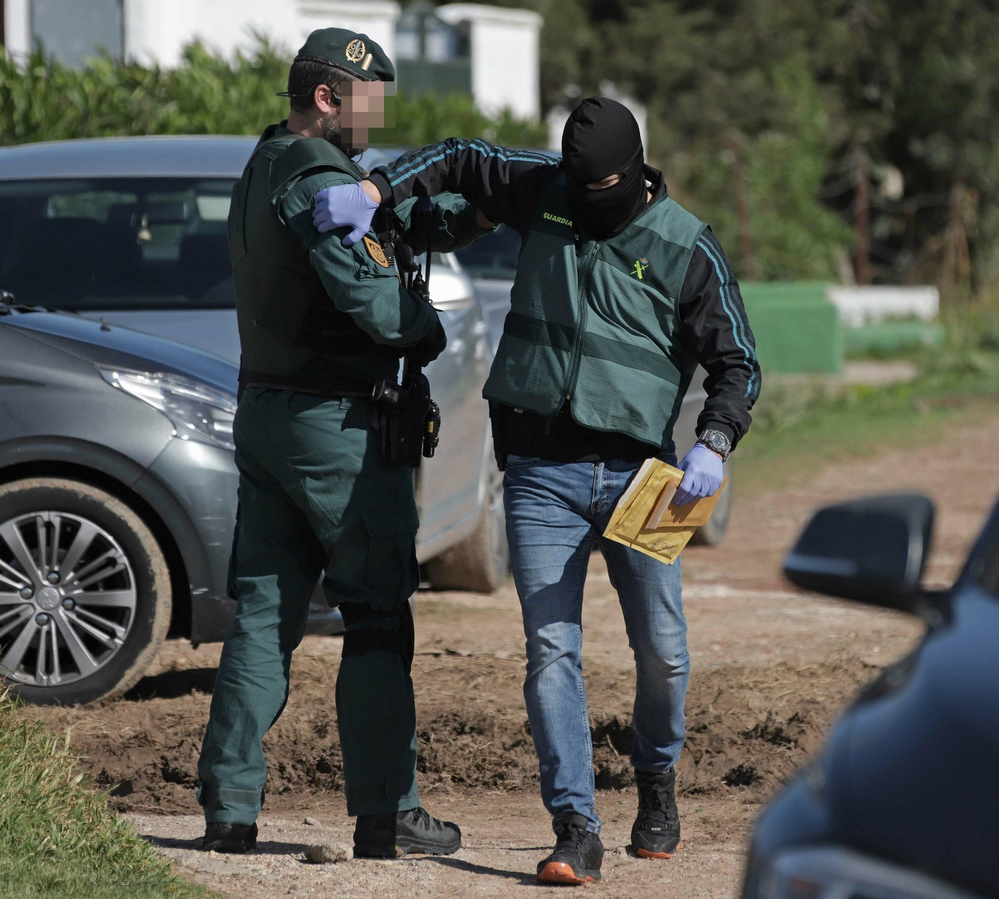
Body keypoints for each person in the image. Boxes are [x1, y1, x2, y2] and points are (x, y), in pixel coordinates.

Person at [313, 97, 760, 885]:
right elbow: (457, 155)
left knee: (664, 652)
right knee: (551, 648)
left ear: (633, 174)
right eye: (578, 189)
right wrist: (379, 190)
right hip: (540, 472)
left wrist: (715, 442)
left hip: (643, 476)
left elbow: (739, 363)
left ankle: (656, 781)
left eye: (603, 191)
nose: (587, 203)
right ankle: (575, 825)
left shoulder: (688, 246)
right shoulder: (543, 187)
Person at [195, 27, 488, 858]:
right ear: (328, 97)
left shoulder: (262, 164)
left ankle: (229, 807)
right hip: (339, 431)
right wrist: (426, 325)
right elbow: (378, 306)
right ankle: (387, 811)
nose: (379, 119)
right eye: (369, 103)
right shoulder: (319, 175)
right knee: (375, 616)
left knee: (262, 614)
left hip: (266, 414)